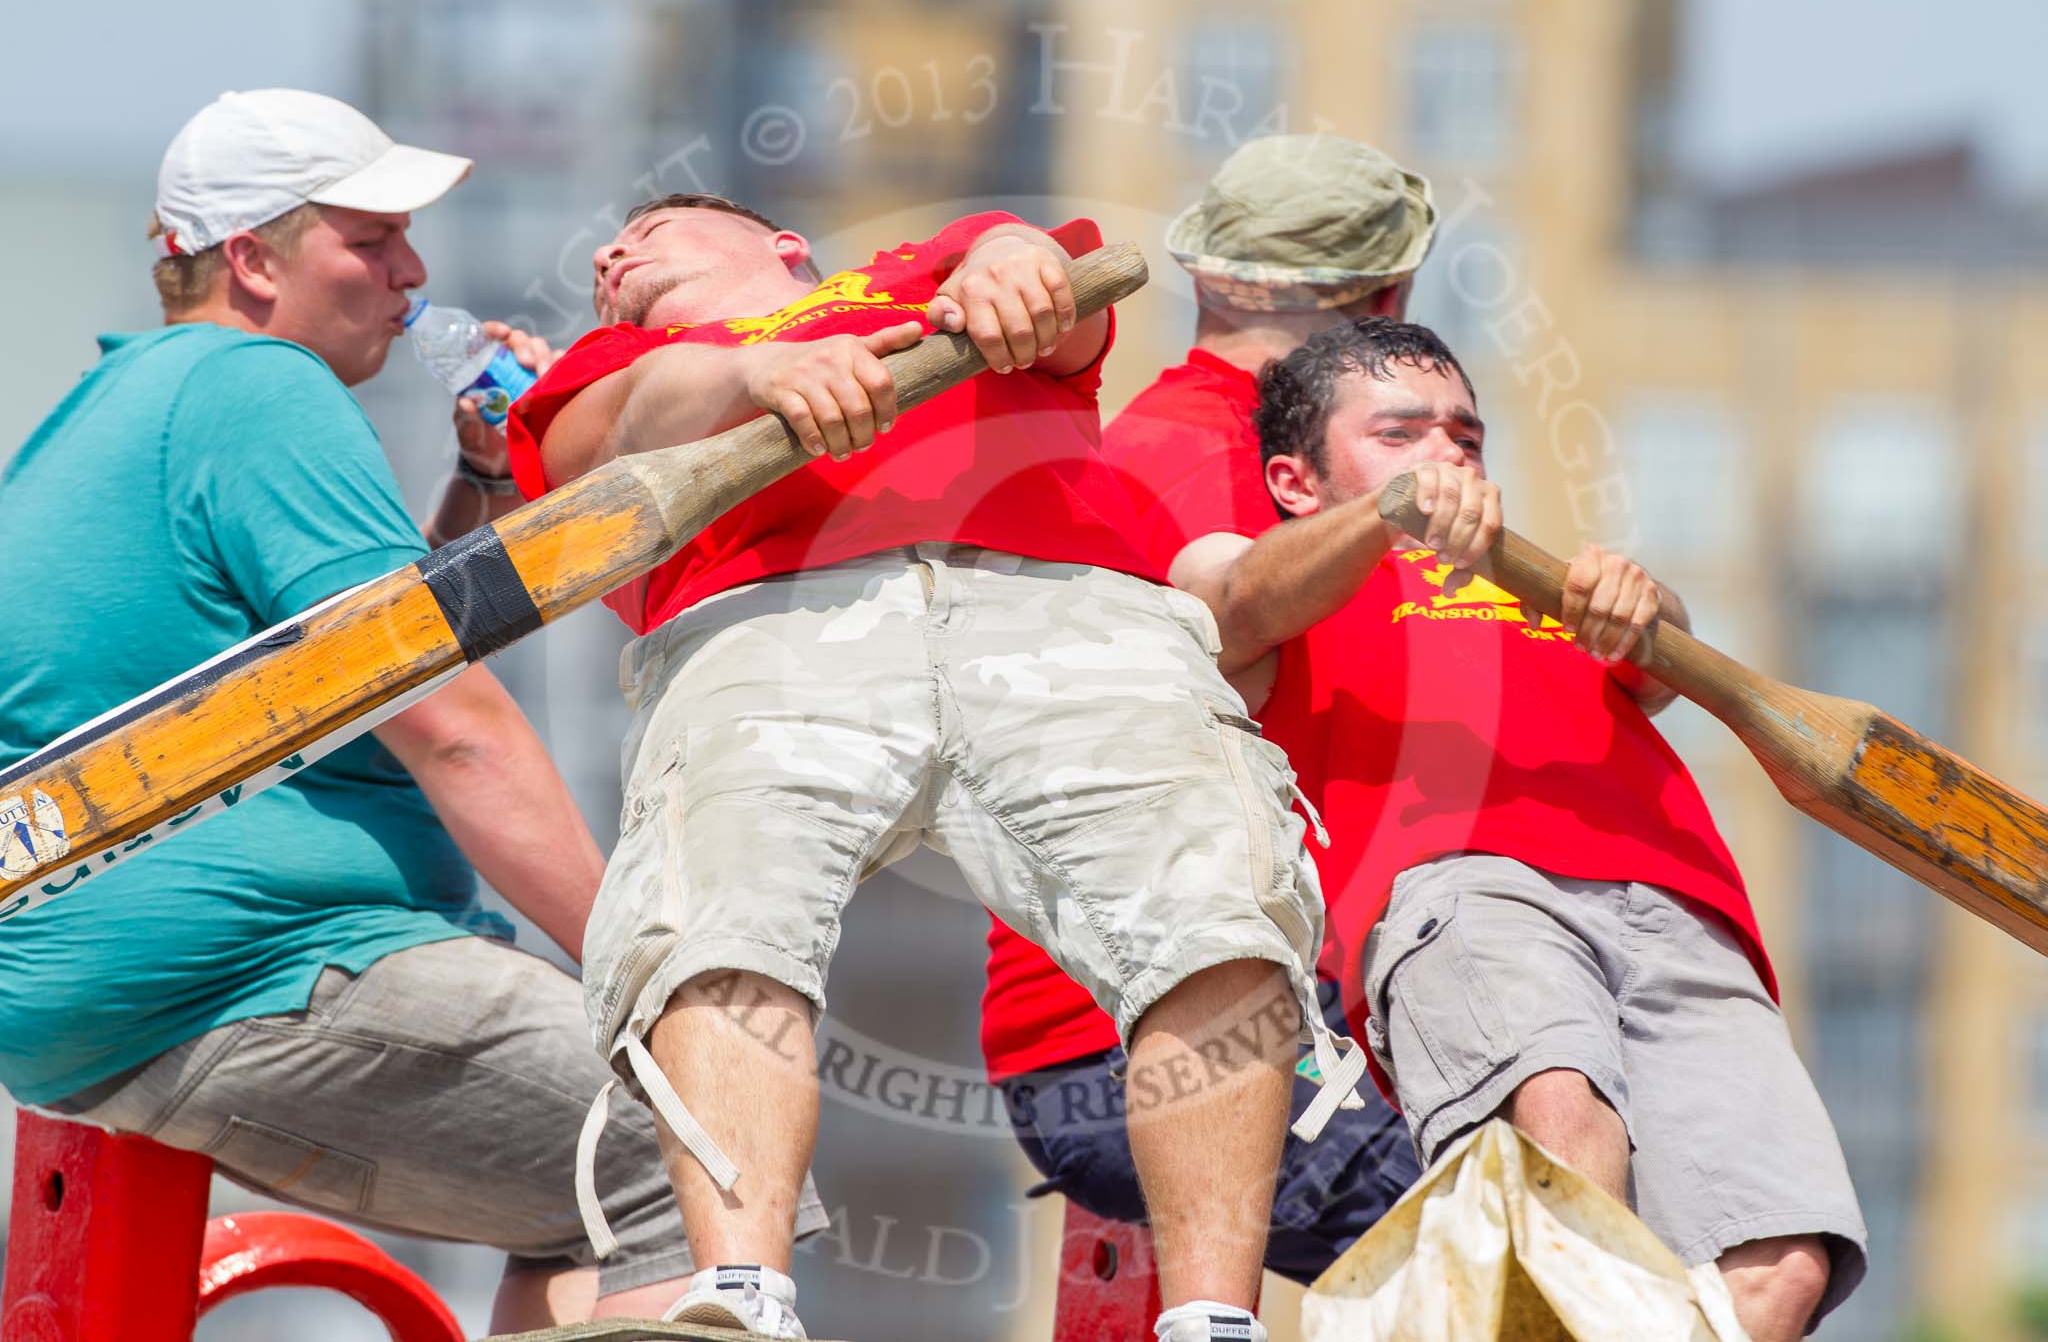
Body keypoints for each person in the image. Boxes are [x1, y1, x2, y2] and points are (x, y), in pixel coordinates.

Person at [0, 90, 829, 1329]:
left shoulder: (127, 403)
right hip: (245, 966)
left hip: (119, 981)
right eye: (369, 240)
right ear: (251, 260)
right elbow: (451, 722)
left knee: (587, 1198)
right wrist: (648, 973)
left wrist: (485, 477)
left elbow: (368, 662)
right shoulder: (256, 386)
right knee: (718, 1134)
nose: (413, 271)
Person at [507, 192, 1362, 1341]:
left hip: (1059, 599)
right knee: (716, 906)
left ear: (782, 246)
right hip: (766, 621)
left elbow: (1048, 290)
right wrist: (752, 380)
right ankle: (738, 1302)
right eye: (606, 250)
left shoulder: (923, 269)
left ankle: (1212, 1320)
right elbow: (608, 438)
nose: (611, 253)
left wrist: (1010, 267)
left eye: (650, 233)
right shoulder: (630, 357)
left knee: (1211, 908)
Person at [1178, 314, 1867, 1340]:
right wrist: (1391, 514)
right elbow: (1228, 602)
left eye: (1462, 435)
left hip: (1679, 900)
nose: (1444, 455)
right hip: (1459, 885)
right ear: (1294, 480)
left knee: (1777, 1266)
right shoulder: (1262, 568)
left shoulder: (1537, 583)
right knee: (1558, 1152)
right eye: (1398, 434)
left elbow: (1661, 657)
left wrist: (1648, 602)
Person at [982, 134, 1434, 1282]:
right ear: (1390, 303)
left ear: (1201, 279)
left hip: (1128, 1033)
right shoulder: (1219, 465)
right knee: (1532, 1273)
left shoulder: (1158, 446)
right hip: (1159, 1041)